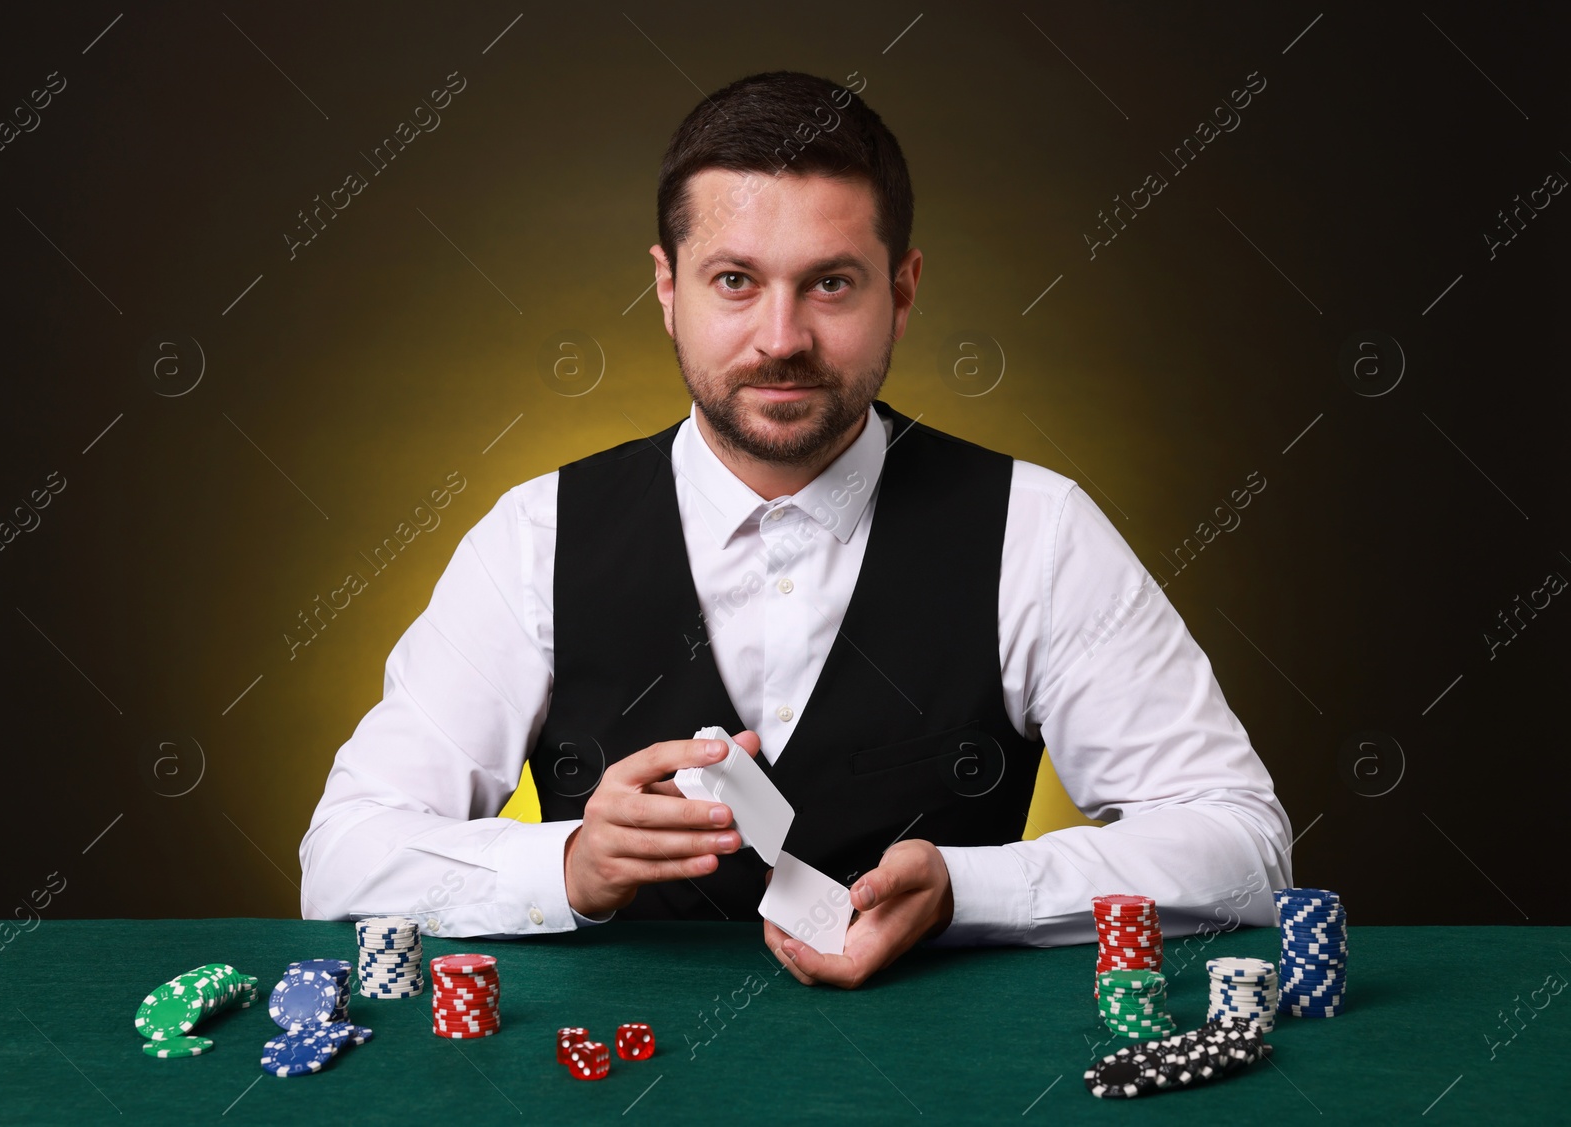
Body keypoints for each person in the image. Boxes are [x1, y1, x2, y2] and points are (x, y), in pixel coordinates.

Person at [301, 70, 1292, 989]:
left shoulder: (1037, 529)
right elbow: (342, 858)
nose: (781, 338)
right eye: (734, 280)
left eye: (830, 283)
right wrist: (566, 864)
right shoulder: (533, 535)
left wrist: (967, 888)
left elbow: (1242, 845)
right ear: (665, 288)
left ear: (900, 292)